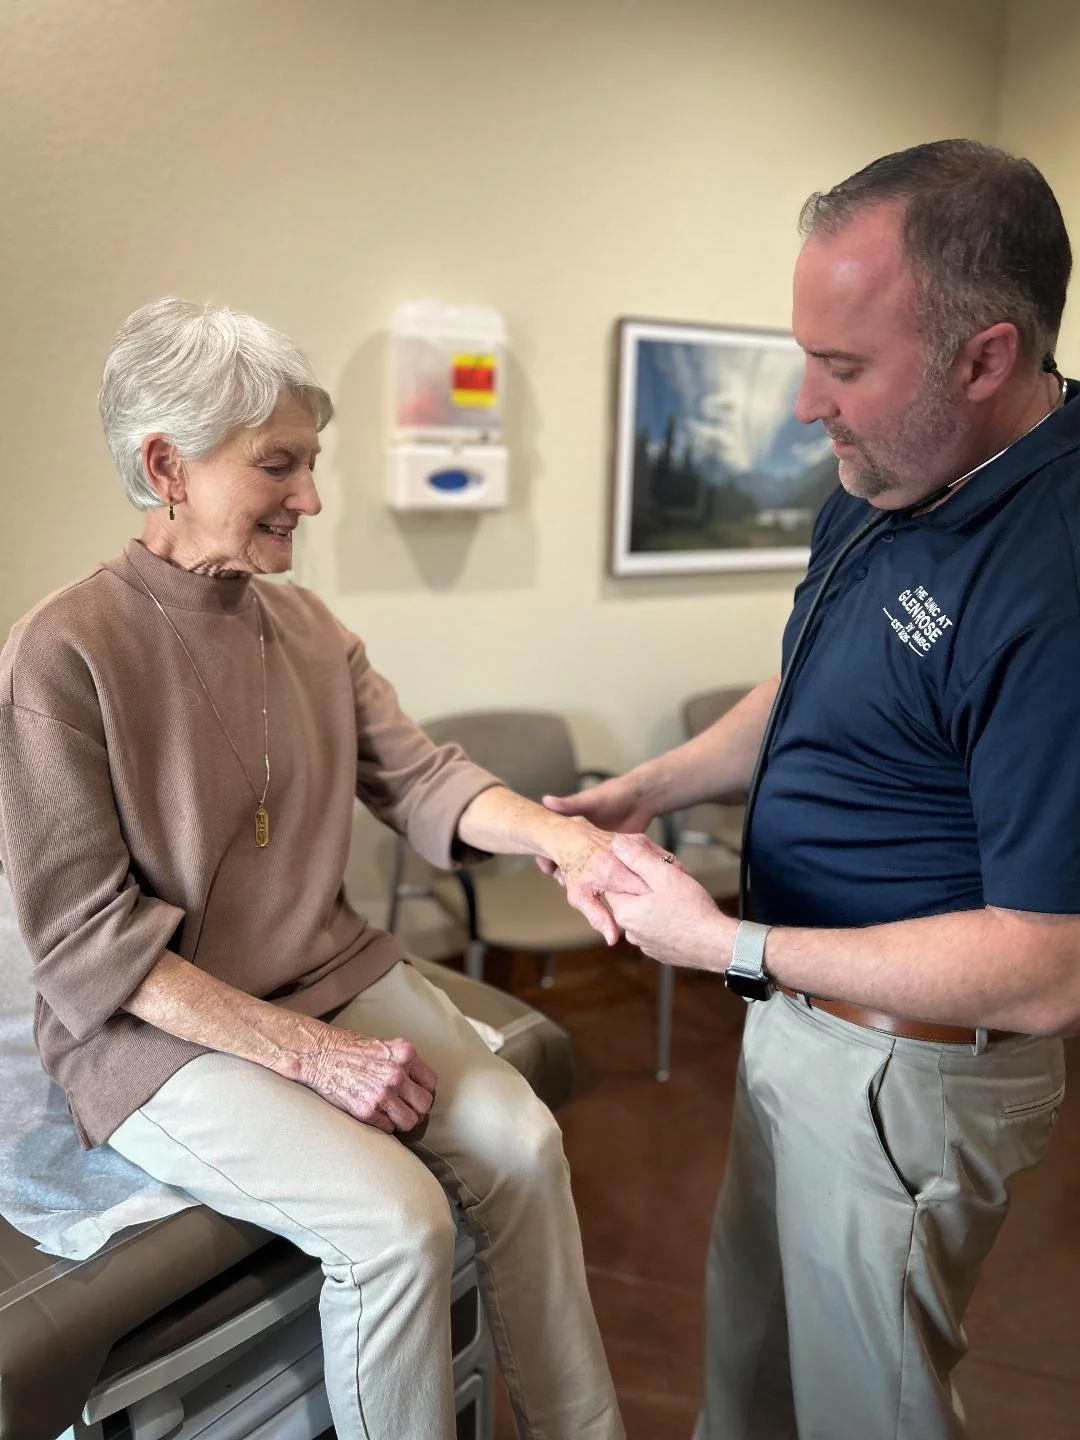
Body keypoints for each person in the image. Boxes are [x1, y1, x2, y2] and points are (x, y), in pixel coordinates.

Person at [0, 297, 640, 1440]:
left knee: (527, 1143)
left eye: (313, 462)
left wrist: (562, 838)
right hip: (153, 1027)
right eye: (279, 466)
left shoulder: (306, 630)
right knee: (395, 1226)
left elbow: (425, 778)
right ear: (167, 466)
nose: (311, 498)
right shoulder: (62, 654)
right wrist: (317, 1058)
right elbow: (86, 943)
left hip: (326, 967)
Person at [545, 139, 1078, 1439]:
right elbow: (810, 688)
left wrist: (725, 940)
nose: (804, 405)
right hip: (798, 1019)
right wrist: (648, 788)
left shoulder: (1053, 575)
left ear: (985, 356)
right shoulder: (888, 473)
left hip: (908, 1076)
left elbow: (1049, 965)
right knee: (756, 1367)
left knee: (865, 1409)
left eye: (841, 368)